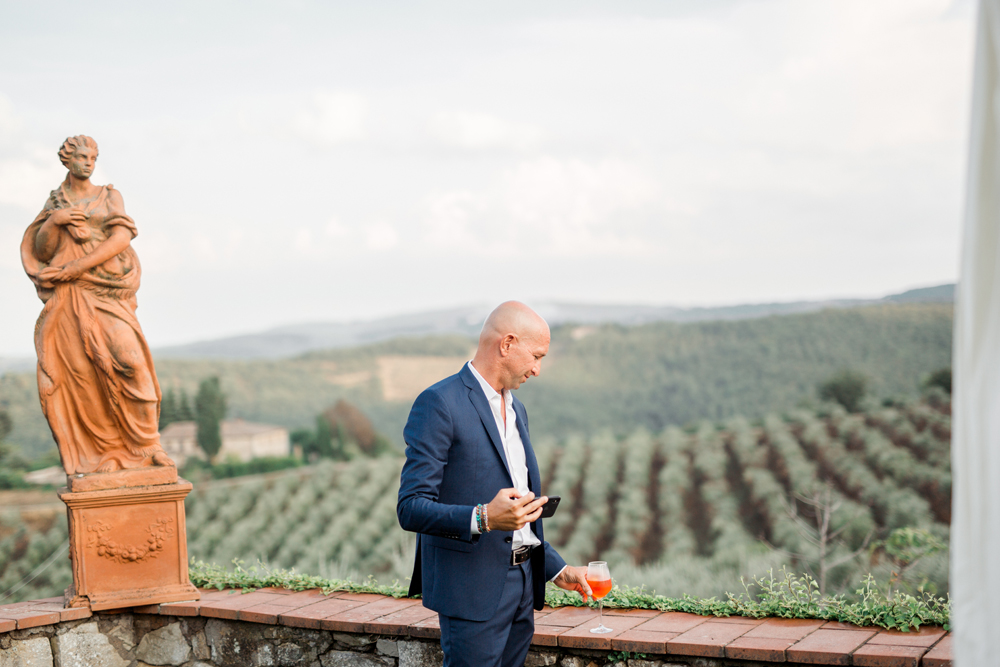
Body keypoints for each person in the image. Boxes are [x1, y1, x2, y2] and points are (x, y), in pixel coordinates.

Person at [397, 301, 592, 667]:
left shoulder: (518, 410)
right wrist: (484, 517)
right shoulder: (439, 403)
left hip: (523, 586)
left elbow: (518, 513)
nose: (537, 369)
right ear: (507, 344)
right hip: (470, 592)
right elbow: (411, 508)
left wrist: (557, 569)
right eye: (536, 356)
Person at [20, 135, 174, 475]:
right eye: (81, 157)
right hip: (69, 298)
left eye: (92, 157)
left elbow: (121, 238)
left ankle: (149, 445)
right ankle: (105, 453)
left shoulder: (109, 196)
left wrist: (78, 266)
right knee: (83, 376)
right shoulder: (56, 202)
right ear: (67, 160)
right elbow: (44, 252)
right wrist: (55, 221)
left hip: (105, 291)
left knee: (131, 361)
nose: (88, 163)